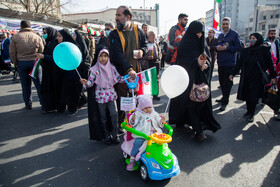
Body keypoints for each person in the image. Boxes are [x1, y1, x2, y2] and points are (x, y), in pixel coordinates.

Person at [169, 20, 221, 141]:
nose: (199, 35)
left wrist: (206, 64)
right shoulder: (184, 44)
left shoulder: (202, 43)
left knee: (200, 104)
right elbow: (182, 62)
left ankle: (198, 127)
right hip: (187, 81)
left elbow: (207, 57)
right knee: (190, 104)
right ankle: (198, 131)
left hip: (200, 79)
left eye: (201, 33)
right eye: (197, 33)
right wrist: (196, 63)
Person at [109, 5, 148, 126]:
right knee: (122, 100)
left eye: (119, 15)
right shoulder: (114, 34)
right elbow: (117, 55)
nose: (116, 18)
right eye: (116, 15)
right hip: (122, 74)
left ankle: (135, 122)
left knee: (136, 99)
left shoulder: (138, 30)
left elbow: (145, 45)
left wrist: (142, 51)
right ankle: (120, 124)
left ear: (128, 17)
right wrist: (128, 69)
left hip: (136, 73)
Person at [229, 33, 276, 122]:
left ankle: (252, 113)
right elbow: (239, 63)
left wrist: (273, 76)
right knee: (246, 95)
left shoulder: (264, 50)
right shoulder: (246, 51)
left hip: (257, 78)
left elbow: (270, 64)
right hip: (246, 76)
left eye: (254, 38)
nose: (252, 40)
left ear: (258, 39)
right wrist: (232, 73)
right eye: (251, 38)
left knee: (253, 96)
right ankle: (248, 111)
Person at [80, 48, 122, 145]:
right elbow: (90, 82)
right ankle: (107, 135)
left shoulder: (112, 68)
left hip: (111, 96)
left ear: (108, 57)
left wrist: (129, 77)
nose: (103, 58)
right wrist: (86, 82)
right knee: (103, 118)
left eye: (105, 56)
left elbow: (119, 78)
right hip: (100, 97)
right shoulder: (95, 69)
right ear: (98, 57)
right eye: (101, 56)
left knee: (114, 115)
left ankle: (115, 135)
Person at [9, 20, 44, 110]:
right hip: (34, 62)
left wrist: (16, 63)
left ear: (21, 27)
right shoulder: (36, 36)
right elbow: (41, 50)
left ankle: (28, 104)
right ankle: (43, 103)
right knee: (39, 84)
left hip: (22, 62)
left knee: (25, 85)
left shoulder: (15, 37)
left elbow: (12, 52)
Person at [126, 94, 165, 171]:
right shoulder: (138, 113)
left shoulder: (154, 113)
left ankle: (162, 157)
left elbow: (158, 119)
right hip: (142, 134)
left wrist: (161, 121)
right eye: (145, 108)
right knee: (137, 143)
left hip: (154, 134)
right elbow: (133, 122)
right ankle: (132, 159)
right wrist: (133, 119)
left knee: (162, 143)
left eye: (149, 107)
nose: (148, 109)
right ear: (141, 107)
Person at [215, 17, 242, 111]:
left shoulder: (234, 34)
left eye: (227, 24)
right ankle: (223, 97)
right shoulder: (220, 35)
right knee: (221, 82)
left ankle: (225, 101)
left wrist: (227, 48)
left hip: (230, 63)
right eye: (223, 24)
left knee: (227, 83)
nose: (225, 26)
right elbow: (215, 45)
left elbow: (239, 47)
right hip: (220, 63)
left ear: (230, 25)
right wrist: (216, 47)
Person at [56, 29, 84, 116]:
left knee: (73, 92)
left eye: (59, 36)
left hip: (74, 74)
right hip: (64, 73)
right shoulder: (59, 47)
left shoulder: (73, 47)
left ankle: (73, 107)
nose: (57, 38)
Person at [35, 27, 59, 113]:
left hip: (53, 70)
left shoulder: (54, 44)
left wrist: (44, 57)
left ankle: (52, 106)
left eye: (45, 33)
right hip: (48, 70)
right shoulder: (49, 43)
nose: (44, 34)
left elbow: (55, 58)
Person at [142, 31, 161, 100]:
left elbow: (159, 52)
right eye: (152, 35)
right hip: (148, 63)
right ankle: (148, 94)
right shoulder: (146, 44)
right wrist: (147, 57)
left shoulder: (156, 43)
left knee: (156, 79)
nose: (154, 36)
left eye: (154, 35)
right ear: (149, 36)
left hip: (156, 63)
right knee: (148, 79)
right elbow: (142, 55)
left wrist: (159, 58)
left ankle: (155, 94)